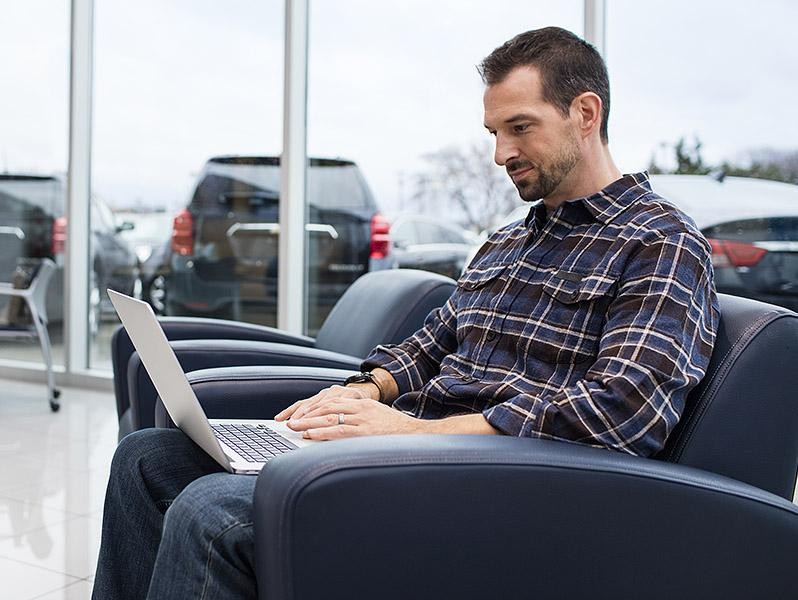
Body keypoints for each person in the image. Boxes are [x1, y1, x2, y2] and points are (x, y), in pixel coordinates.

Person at [92, 26, 719, 599]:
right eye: (494, 133)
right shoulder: (508, 244)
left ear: (586, 113)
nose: (501, 153)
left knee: (212, 513)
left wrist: (413, 433)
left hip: (498, 491)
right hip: (408, 455)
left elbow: (625, 412)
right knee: (146, 460)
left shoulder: (658, 242)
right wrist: (360, 394)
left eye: (520, 127)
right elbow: (433, 343)